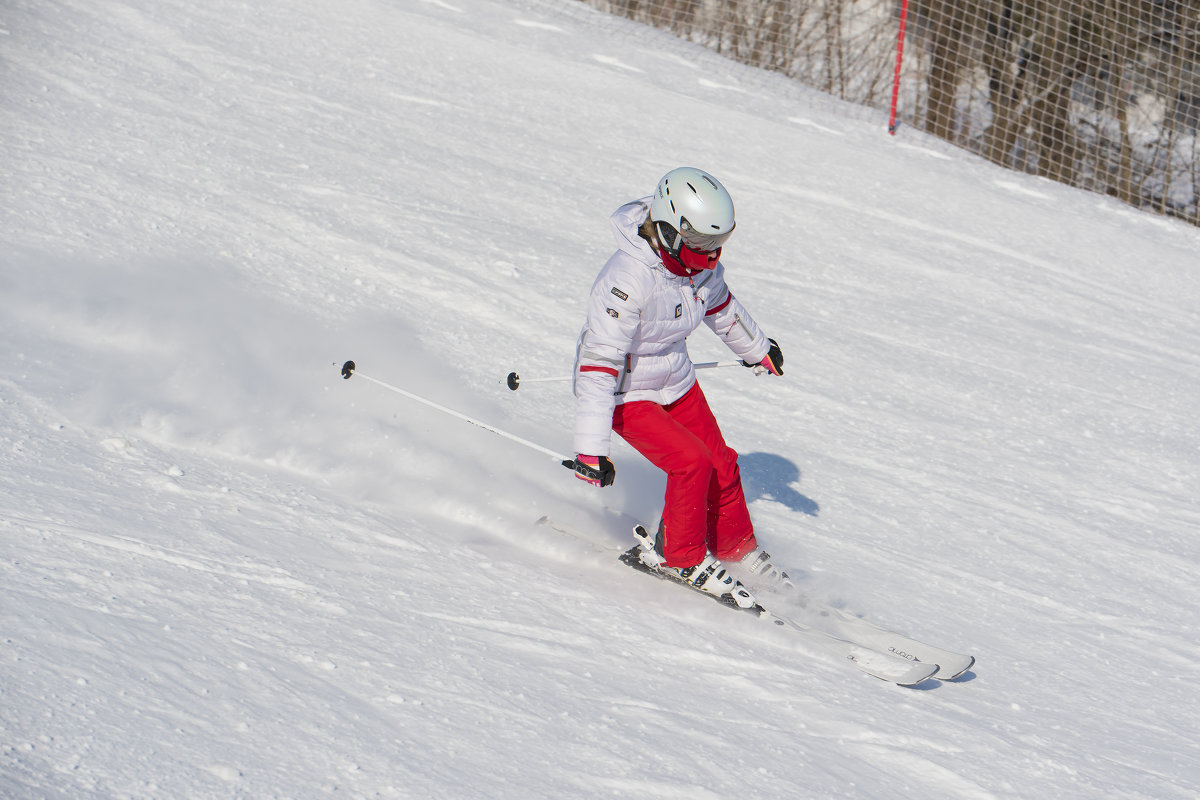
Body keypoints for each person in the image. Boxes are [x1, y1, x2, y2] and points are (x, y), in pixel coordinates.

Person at [570, 167, 791, 604]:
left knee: (721, 461)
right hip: (625, 391)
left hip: (675, 377)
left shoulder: (697, 268)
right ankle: (677, 556)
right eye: (703, 243)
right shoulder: (626, 279)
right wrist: (590, 448)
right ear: (671, 230)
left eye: (718, 243)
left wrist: (757, 349)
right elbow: (598, 363)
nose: (712, 255)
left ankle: (736, 550)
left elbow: (722, 307)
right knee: (690, 462)